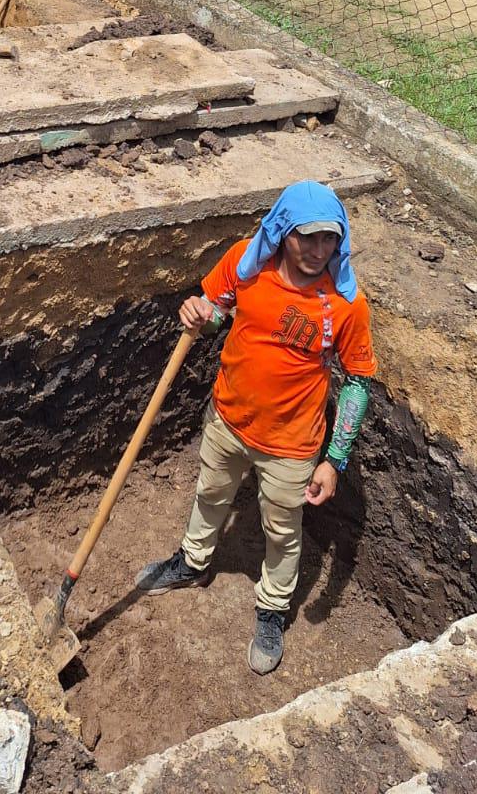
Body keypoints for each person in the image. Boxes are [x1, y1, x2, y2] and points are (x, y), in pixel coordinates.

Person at [135, 180, 376, 676]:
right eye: (306, 238)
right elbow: (219, 310)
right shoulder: (247, 262)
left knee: (283, 532)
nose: (317, 251)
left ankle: (272, 609)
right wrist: (199, 311)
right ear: (282, 231)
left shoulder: (346, 305)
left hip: (291, 446)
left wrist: (335, 461)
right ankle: (192, 562)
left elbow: (356, 384)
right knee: (210, 494)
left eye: (329, 239)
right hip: (227, 418)